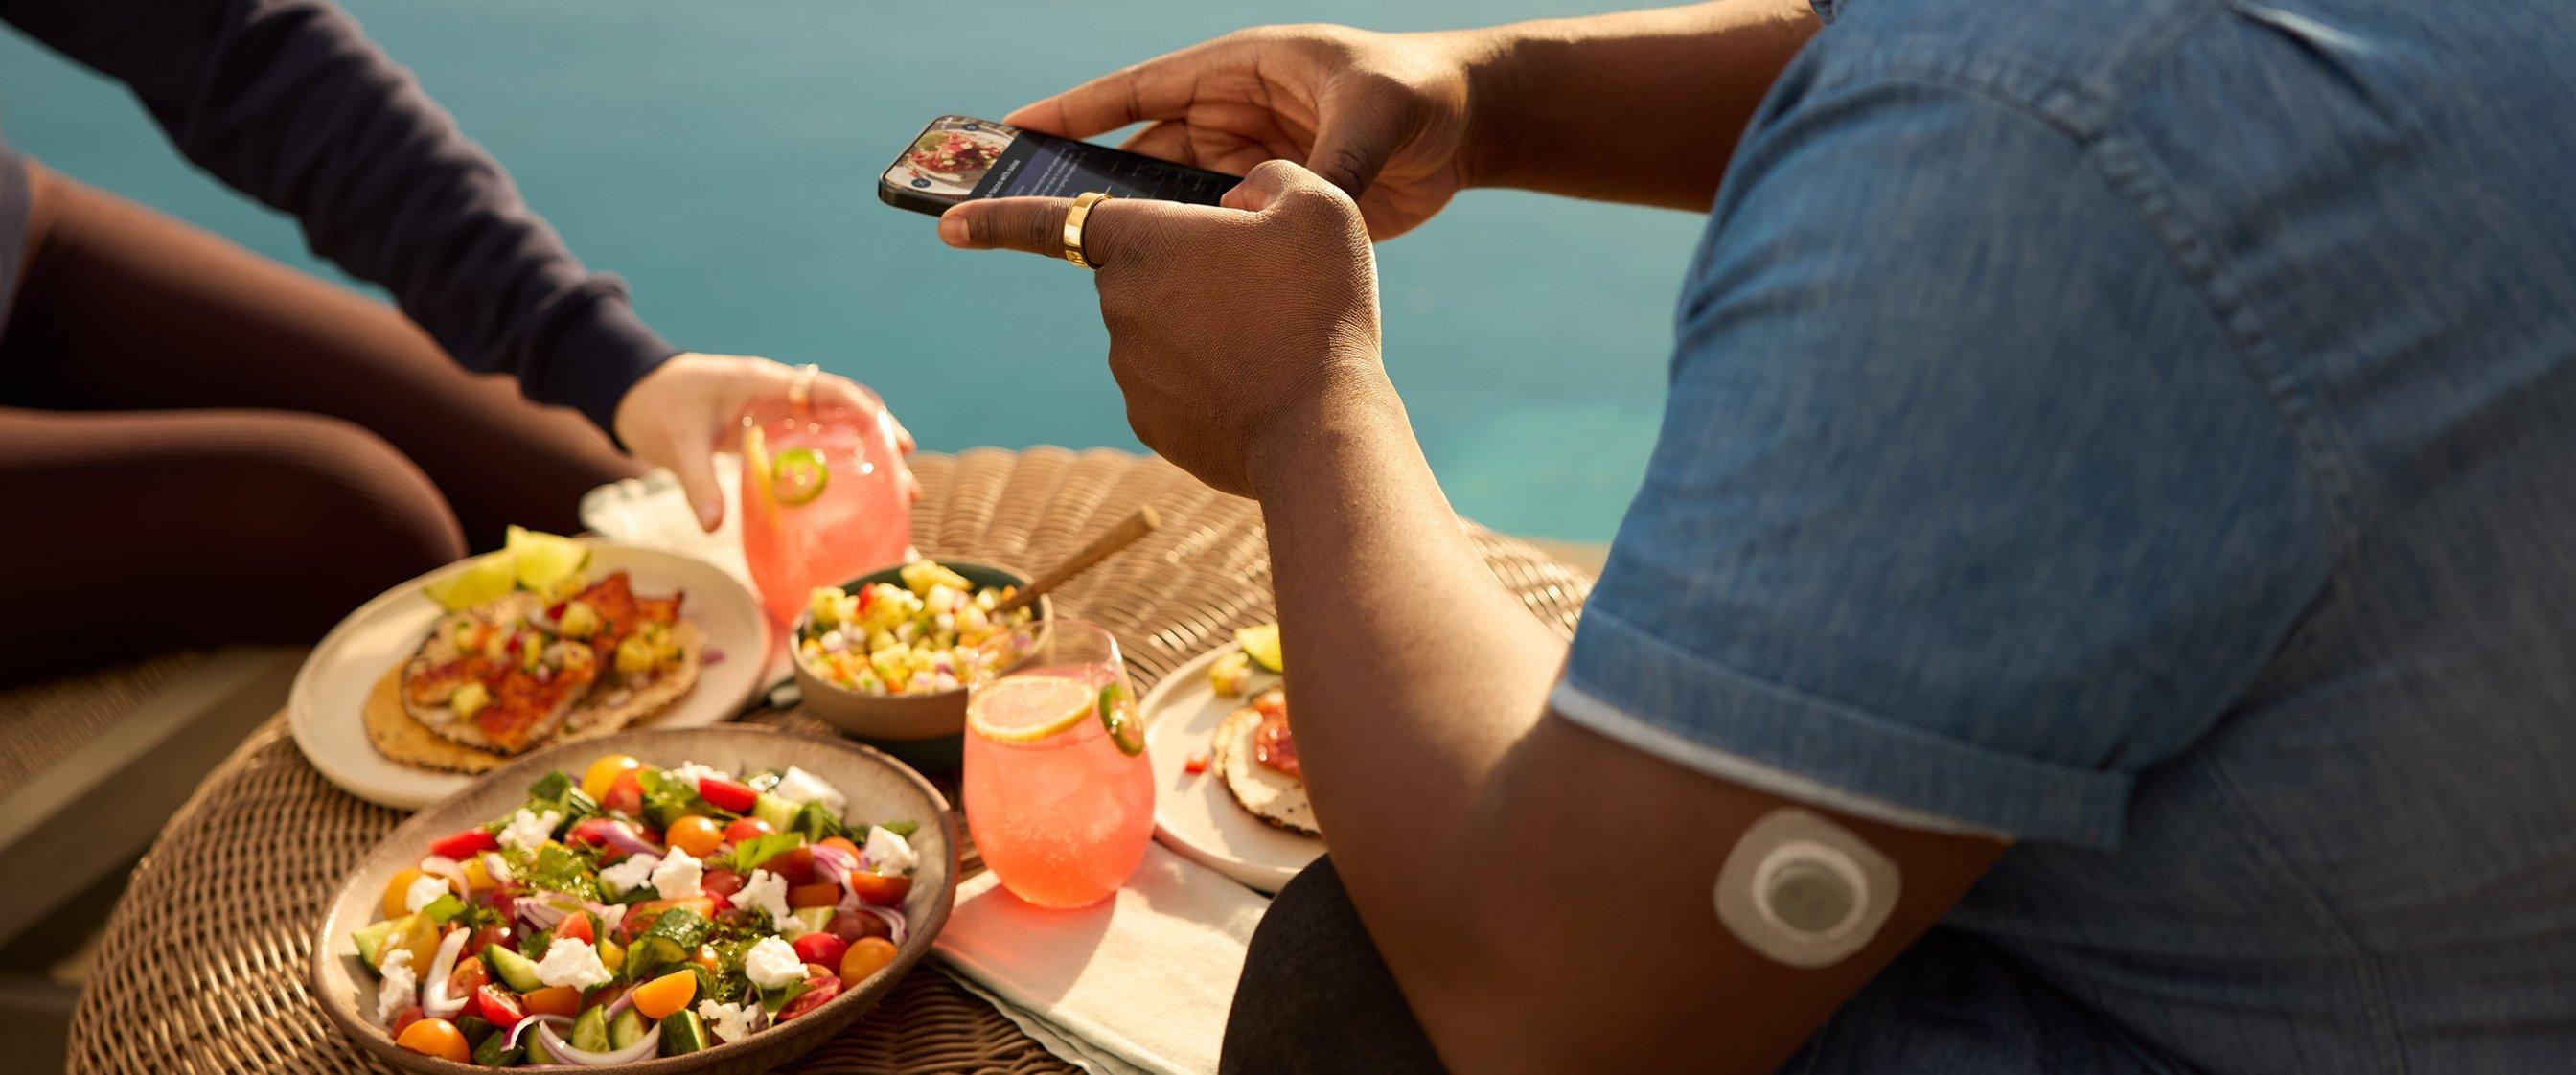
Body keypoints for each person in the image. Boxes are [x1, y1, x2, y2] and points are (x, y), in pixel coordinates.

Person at [940, 0, 2576, 1070]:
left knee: (1366, 989)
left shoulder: (2023, 170)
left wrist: (1301, 410)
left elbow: (1560, 1018)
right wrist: (1494, 98)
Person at [0, 0, 908, 682]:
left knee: (606, 512)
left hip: (21, 251)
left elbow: (242, 49)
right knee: (360, 514)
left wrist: (614, 363)